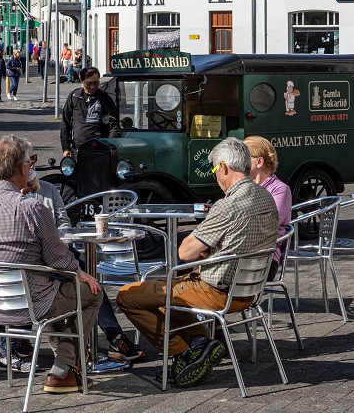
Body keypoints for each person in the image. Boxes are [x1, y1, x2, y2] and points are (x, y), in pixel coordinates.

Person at [116, 137, 279, 388]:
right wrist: (212, 251)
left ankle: (184, 352)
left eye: (214, 170)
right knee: (167, 298)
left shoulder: (229, 205)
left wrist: (205, 252)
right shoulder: (265, 196)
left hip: (218, 292)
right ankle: (200, 343)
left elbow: (186, 252)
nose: (216, 176)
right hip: (250, 291)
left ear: (224, 167)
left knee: (128, 296)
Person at [0, 136, 103, 395]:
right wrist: (82, 274)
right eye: (30, 161)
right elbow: (59, 259)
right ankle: (64, 368)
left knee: (55, 293)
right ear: (24, 168)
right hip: (32, 303)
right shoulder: (32, 208)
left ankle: (65, 367)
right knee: (90, 292)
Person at [18, 173, 143, 364]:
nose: (32, 165)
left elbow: (63, 221)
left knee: (89, 280)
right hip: (33, 265)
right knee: (86, 285)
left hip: (56, 253)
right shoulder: (13, 199)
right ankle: (67, 353)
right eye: (28, 160)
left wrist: (61, 241)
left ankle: (113, 336)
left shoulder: (48, 189)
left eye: (34, 159)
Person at [244, 135, 292, 280]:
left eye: (243, 158)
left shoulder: (280, 190)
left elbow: (267, 224)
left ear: (259, 162)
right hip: (237, 253)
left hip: (264, 258)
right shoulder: (241, 187)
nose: (238, 163)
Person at [59, 67, 120, 157]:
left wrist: (110, 145)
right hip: (77, 149)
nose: (93, 87)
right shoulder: (74, 96)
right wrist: (66, 148)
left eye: (96, 83)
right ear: (82, 81)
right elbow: (65, 123)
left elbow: (114, 125)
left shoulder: (105, 98)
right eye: (89, 83)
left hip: (100, 149)